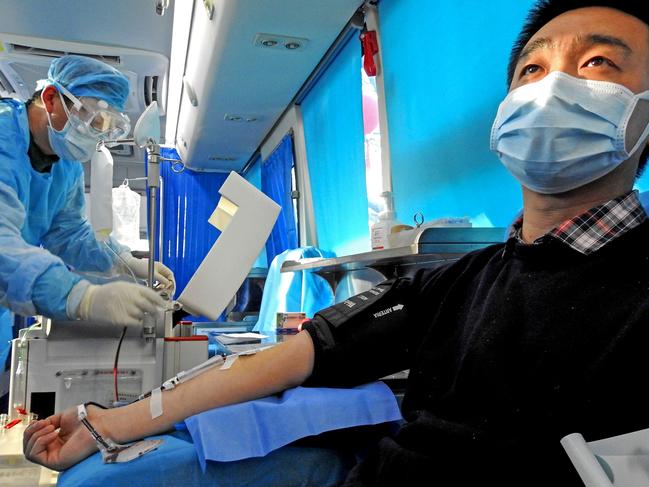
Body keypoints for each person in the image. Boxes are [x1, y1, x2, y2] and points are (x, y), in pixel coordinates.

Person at [23, 1, 649, 485]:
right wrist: (112, 421)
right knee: (109, 474)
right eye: (532, 69)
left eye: (597, 63)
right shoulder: (464, 279)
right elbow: (300, 355)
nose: (549, 90)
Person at [0, 55, 176, 368]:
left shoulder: (66, 168)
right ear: (51, 99)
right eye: (91, 119)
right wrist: (81, 298)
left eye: (105, 127)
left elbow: (69, 233)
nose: (95, 134)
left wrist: (124, 261)